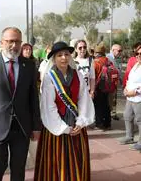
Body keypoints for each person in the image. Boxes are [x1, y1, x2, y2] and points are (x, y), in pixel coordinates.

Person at [0, 27, 42, 181]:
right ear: (2, 43)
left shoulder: (29, 66)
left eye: (17, 41)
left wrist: (37, 126)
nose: (14, 45)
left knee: (18, 169)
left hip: (22, 127)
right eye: (10, 41)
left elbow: (33, 98)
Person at [34, 41, 94, 181]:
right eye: (59, 55)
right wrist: (63, 128)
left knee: (77, 161)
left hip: (76, 126)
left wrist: (81, 121)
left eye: (66, 54)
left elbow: (83, 98)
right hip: (56, 129)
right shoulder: (49, 77)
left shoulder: (77, 75)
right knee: (57, 162)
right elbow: (49, 106)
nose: (63, 58)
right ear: (54, 58)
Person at [119, 45, 141, 150]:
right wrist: (126, 89)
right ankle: (129, 137)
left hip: (138, 97)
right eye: (137, 53)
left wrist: (136, 91)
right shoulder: (136, 65)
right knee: (127, 116)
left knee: (140, 120)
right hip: (130, 97)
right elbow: (130, 79)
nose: (139, 56)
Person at [93, 44, 112, 130]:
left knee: (98, 106)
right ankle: (107, 123)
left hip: (98, 87)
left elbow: (93, 76)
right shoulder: (108, 61)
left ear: (97, 53)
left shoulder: (96, 62)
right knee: (106, 105)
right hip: (107, 86)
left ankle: (99, 124)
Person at [107, 44, 123, 120]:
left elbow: (119, 70)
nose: (120, 52)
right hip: (109, 83)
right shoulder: (108, 58)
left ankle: (113, 113)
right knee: (109, 99)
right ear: (113, 50)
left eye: (121, 51)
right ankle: (108, 114)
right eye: (119, 51)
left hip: (115, 82)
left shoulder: (118, 58)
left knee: (114, 99)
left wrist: (121, 79)